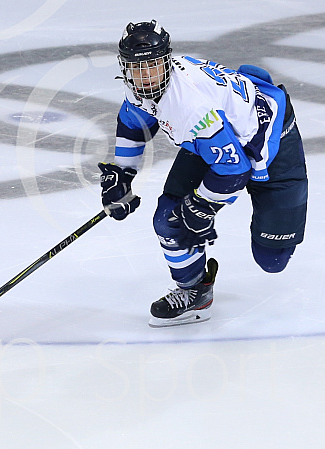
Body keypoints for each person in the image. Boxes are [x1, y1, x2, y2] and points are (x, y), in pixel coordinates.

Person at [98, 20, 308, 327]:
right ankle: (195, 292)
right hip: (215, 139)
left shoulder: (190, 106)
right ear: (124, 67)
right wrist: (122, 173)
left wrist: (203, 204)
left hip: (271, 142)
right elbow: (134, 124)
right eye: (135, 67)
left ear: (166, 61)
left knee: (272, 259)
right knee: (169, 219)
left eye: (152, 66)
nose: (144, 76)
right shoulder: (142, 89)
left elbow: (235, 168)